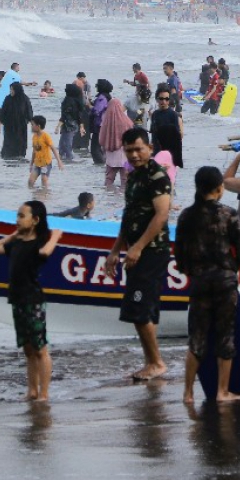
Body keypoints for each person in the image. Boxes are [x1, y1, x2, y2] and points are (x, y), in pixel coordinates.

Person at [175, 166, 240, 403]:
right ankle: (222, 392)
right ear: (219, 189)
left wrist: (192, 272)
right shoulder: (228, 214)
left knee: (196, 338)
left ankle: (187, 393)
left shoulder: (186, 216)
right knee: (225, 336)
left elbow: (179, 255)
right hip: (225, 281)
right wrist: (231, 270)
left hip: (199, 282)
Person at [104, 127, 173, 380]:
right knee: (144, 308)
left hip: (153, 251)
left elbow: (161, 215)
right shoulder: (133, 177)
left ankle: (156, 363)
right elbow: (129, 215)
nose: (134, 154)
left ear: (150, 148)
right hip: (135, 250)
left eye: (138, 149)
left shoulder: (158, 176)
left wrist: (138, 247)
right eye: (129, 150)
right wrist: (115, 250)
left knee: (138, 306)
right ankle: (152, 362)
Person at [0, 201, 63, 402]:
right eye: (17, 216)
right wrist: (13, 234)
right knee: (28, 349)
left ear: (35, 220)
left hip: (33, 300)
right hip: (17, 299)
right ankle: (32, 391)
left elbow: (46, 253)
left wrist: (55, 236)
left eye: (21, 216)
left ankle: (43, 394)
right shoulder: (17, 243)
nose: (17, 220)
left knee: (40, 348)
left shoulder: (39, 243)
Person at [99, 96, 134, 186]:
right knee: (126, 179)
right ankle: (124, 197)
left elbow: (101, 139)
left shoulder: (106, 121)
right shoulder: (126, 121)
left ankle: (108, 197)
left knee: (109, 178)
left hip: (111, 156)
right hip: (125, 156)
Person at [150, 86, 185, 168]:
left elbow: (176, 138)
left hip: (169, 155)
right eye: (161, 99)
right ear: (157, 99)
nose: (164, 101)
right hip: (156, 153)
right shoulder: (154, 114)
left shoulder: (173, 115)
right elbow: (153, 135)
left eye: (166, 99)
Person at [28, 115, 64, 189]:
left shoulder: (45, 136)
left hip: (46, 163)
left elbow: (53, 149)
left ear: (38, 126)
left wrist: (59, 161)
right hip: (37, 164)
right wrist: (31, 164)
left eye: (32, 125)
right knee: (30, 181)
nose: (31, 126)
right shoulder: (34, 137)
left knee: (44, 180)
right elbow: (34, 151)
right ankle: (34, 194)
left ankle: (46, 195)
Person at [0, 82, 34, 159]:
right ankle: (7, 158)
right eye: (10, 89)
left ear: (17, 90)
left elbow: (29, 113)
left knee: (20, 143)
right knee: (8, 144)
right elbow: (2, 113)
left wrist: (33, 126)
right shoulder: (8, 98)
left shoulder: (25, 99)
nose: (11, 91)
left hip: (21, 126)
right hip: (9, 126)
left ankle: (19, 157)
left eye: (12, 89)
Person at [56, 83, 87, 163]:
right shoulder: (77, 101)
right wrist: (81, 127)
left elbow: (64, 115)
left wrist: (58, 126)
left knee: (65, 144)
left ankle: (68, 159)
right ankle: (65, 158)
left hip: (68, 126)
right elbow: (79, 116)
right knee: (65, 143)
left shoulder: (68, 101)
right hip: (74, 126)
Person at [89, 79, 114, 164]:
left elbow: (97, 111)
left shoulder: (102, 98)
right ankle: (104, 164)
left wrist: (89, 106)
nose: (96, 86)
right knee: (100, 148)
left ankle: (100, 165)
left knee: (94, 149)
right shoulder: (106, 97)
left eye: (97, 85)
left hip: (100, 126)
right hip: (104, 125)